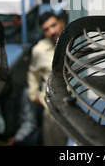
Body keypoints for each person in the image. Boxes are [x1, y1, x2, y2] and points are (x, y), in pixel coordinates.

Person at [27, 11, 68, 146]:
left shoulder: (73, 42)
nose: (52, 31)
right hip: (53, 110)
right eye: (46, 30)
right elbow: (33, 72)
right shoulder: (39, 50)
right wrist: (34, 94)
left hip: (77, 105)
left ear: (61, 23)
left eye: (53, 25)